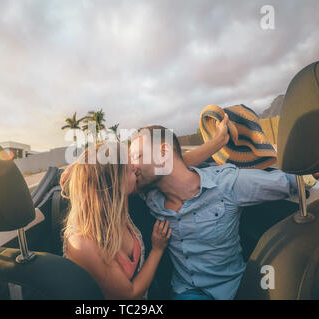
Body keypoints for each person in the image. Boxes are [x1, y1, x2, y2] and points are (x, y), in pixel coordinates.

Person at [129, 125, 317, 300]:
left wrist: (312, 171)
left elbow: (293, 181)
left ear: (163, 153)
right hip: (186, 291)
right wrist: (217, 143)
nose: (132, 167)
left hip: (231, 288)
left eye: (138, 157)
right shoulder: (149, 196)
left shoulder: (227, 184)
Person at [61, 117, 230, 299]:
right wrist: (158, 249)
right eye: (129, 167)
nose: (136, 168)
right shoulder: (83, 242)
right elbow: (129, 295)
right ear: (114, 184)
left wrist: (218, 141)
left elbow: (172, 165)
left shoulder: (121, 200)